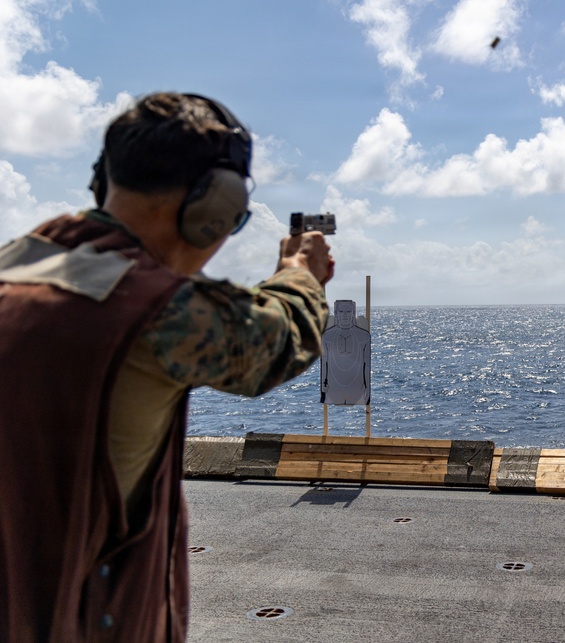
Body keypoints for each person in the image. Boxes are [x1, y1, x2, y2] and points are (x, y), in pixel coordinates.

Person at [0, 92, 333, 641]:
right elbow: (278, 341)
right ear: (218, 207)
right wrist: (301, 273)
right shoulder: (155, 310)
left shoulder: (19, 265)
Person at [321, 299, 372, 406]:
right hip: (333, 387)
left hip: (357, 387)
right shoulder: (327, 336)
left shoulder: (363, 336)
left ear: (353, 314)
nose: (345, 315)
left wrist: (367, 388)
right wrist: (323, 386)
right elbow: (324, 363)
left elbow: (366, 365)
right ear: (336, 314)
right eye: (341, 312)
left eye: (348, 312)